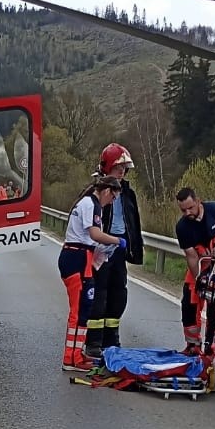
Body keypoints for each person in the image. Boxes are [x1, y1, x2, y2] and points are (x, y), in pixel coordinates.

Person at [60, 175, 127, 372]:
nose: (112, 202)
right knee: (79, 310)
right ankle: (70, 358)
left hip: (83, 258)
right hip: (76, 259)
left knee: (85, 307)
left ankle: (77, 353)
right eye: (113, 198)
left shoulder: (90, 203)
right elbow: (94, 234)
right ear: (107, 191)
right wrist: (116, 240)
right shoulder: (92, 204)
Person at [92, 143, 145, 353]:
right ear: (107, 168)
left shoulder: (127, 193)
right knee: (99, 293)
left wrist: (133, 247)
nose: (121, 172)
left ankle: (111, 338)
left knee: (118, 293)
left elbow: (134, 222)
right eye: (117, 167)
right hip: (101, 247)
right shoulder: (96, 192)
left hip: (120, 248)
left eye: (124, 168)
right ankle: (94, 340)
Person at [173, 187, 215, 355]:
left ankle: (211, 345)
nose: (188, 212)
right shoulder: (183, 227)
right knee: (189, 301)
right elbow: (191, 257)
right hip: (202, 263)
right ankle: (192, 345)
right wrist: (199, 281)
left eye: (190, 208)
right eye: (183, 210)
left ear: (198, 201)